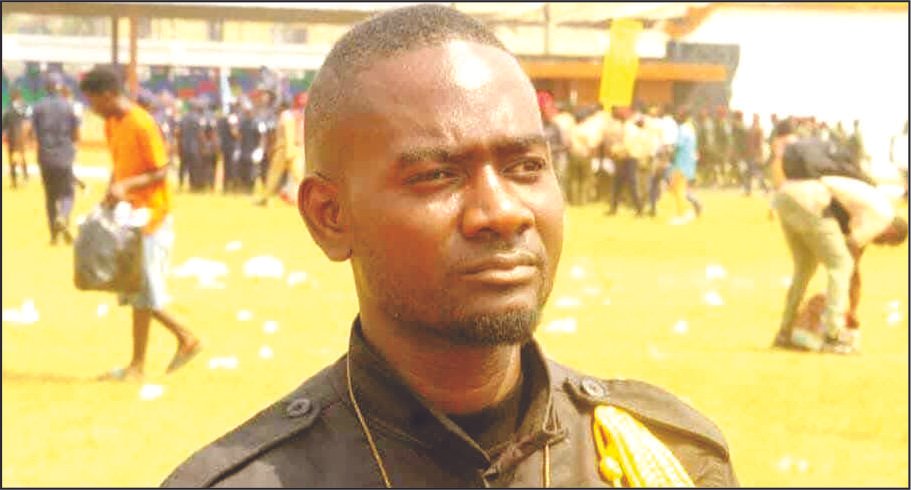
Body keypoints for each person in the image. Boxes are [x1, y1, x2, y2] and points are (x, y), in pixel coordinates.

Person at [162, 5, 737, 487]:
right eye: (438, 175)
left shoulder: (660, 462)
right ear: (329, 217)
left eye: (525, 166)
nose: (503, 212)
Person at [79, 67, 202, 381]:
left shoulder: (142, 123)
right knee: (134, 287)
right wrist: (112, 191)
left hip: (152, 216)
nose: (92, 107)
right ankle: (139, 364)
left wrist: (127, 185)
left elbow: (161, 169)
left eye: (93, 100)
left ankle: (185, 338)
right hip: (129, 216)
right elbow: (120, 165)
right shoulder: (112, 124)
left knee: (142, 289)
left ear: (108, 94)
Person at [31, 73, 79, 245]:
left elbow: (32, 133)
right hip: (64, 156)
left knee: (50, 196)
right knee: (68, 193)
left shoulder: (38, 107)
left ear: (46, 87)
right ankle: (63, 216)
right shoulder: (69, 106)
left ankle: (54, 236)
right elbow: (76, 133)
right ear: (60, 87)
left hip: (45, 157)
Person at [668, 108, 702, 225]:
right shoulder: (691, 128)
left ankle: (682, 214)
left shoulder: (683, 129)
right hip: (688, 163)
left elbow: (678, 144)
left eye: (679, 114)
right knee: (676, 188)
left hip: (681, 163)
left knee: (678, 189)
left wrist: (669, 148)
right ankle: (686, 211)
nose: (677, 116)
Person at [2, 88, 31, 189]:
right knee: (21, 157)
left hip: (12, 137)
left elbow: (4, 124)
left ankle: (14, 181)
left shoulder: (8, 108)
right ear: (19, 96)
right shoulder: (24, 106)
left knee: (12, 158)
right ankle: (25, 177)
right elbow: (29, 121)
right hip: (21, 136)